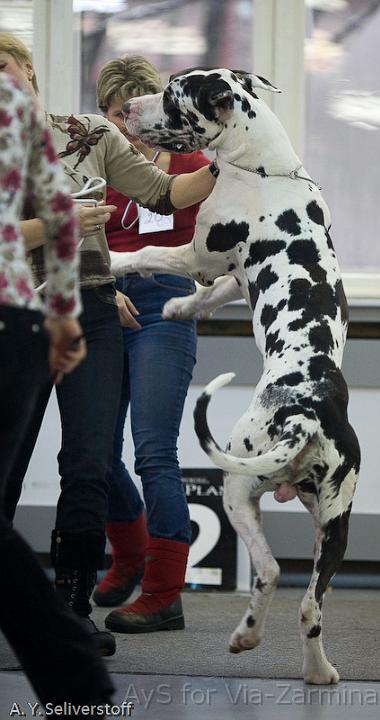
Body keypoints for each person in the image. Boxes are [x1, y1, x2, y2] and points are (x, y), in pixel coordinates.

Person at [0, 32, 216, 656]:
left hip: (91, 305)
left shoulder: (90, 134)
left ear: (31, 72)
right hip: (16, 312)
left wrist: (235, 158)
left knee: (90, 463)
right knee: (6, 469)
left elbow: (165, 191)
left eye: (3, 66)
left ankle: (73, 608)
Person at [0, 71, 114, 711]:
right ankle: (76, 679)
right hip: (21, 317)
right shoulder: (16, 105)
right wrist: (66, 315)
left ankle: (76, 678)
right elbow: (61, 211)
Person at [91, 56, 209, 633]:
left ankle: (164, 592)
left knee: (154, 451)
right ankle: (131, 552)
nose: (129, 127)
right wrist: (103, 285)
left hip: (166, 303)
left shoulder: (191, 163)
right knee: (93, 452)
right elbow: (74, 237)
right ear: (104, 115)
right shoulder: (94, 161)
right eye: (118, 115)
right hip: (102, 297)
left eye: (138, 114)